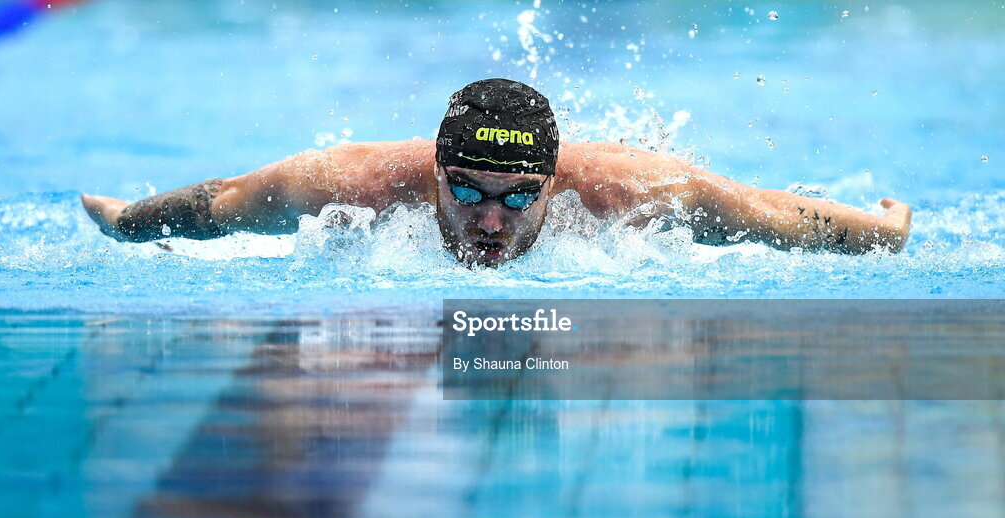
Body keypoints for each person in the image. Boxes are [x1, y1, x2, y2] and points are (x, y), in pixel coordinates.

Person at [80, 78, 912, 267]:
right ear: (436, 171)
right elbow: (223, 202)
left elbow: (769, 214)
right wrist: (129, 221)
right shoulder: (358, 182)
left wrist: (884, 232)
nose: (488, 222)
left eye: (518, 197)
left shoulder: (623, 191)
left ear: (552, 185)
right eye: (466, 193)